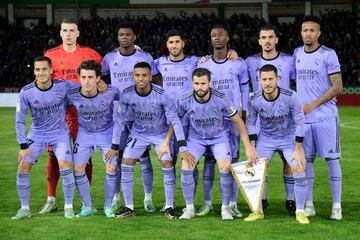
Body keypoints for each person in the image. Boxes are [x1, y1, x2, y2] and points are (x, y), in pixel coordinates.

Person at [107, 62, 193, 220]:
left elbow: (174, 119)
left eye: (144, 75)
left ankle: (169, 206)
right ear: (133, 76)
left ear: (150, 77)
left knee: (167, 163)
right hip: (138, 133)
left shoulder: (161, 94)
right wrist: (114, 145)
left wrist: (182, 146)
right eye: (137, 75)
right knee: (126, 163)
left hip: (159, 134)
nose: (141, 79)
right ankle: (129, 207)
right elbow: (119, 120)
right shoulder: (127, 94)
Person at [40, 18, 103, 214]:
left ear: (78, 33)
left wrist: (103, 84)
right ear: (60, 33)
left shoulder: (90, 54)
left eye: (72, 30)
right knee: (53, 155)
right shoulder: (50, 55)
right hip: (58, 115)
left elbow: (103, 76)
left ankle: (86, 200)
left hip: (84, 114)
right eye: (64, 30)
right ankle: (51, 199)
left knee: (85, 156)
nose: (68, 34)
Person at [177, 68, 257, 221]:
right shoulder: (185, 99)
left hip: (219, 137)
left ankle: (225, 209)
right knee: (186, 167)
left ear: (210, 83)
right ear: (192, 83)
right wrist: (175, 143)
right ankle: (189, 208)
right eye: (196, 83)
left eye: (203, 83)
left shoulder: (221, 98)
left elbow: (239, 122)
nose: (200, 87)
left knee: (225, 167)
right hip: (196, 138)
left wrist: (248, 147)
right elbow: (175, 121)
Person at [102, 22, 158, 212]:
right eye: (121, 34)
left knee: (144, 157)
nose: (124, 37)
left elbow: (156, 79)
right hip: (118, 116)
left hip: (141, 116)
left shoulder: (145, 57)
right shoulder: (109, 58)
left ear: (134, 38)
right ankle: (117, 197)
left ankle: (147, 198)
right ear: (118, 37)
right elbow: (100, 77)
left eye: (128, 34)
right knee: (117, 157)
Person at [12, 56, 75, 220]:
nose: (41, 73)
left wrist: (100, 84)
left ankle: (69, 207)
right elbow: (19, 120)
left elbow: (84, 87)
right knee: (22, 168)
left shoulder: (63, 86)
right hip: (36, 135)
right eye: (38, 69)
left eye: (44, 69)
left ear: (51, 70)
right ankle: (24, 209)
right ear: (34, 71)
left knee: (65, 166)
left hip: (59, 134)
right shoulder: (26, 92)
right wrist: (23, 146)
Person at [245, 64, 309, 224]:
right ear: (258, 81)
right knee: (255, 170)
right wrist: (252, 149)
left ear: (278, 79)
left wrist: (299, 149)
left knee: (298, 168)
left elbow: (300, 122)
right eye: (264, 79)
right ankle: (257, 210)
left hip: (288, 139)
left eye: (271, 79)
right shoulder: (253, 99)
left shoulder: (291, 96)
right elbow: (251, 123)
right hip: (266, 139)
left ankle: (300, 211)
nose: (267, 83)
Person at [197, 24, 249, 217]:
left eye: (220, 35)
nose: (216, 38)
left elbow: (244, 89)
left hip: (232, 119)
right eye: (213, 35)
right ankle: (208, 203)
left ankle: (232, 203)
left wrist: (244, 111)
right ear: (210, 40)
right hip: (210, 120)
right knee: (209, 161)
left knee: (233, 161)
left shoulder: (238, 63)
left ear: (228, 39)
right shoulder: (203, 65)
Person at [294, 15, 343, 220]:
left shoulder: (328, 54)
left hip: (325, 117)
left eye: (312, 30)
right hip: (304, 121)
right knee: (308, 162)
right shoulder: (297, 53)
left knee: (332, 160)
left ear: (319, 33)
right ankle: (309, 204)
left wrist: (312, 105)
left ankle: (337, 206)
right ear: (301, 33)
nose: (308, 33)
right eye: (305, 30)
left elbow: (338, 86)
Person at [245, 24, 296, 215]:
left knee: (289, 162)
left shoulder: (289, 61)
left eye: (270, 37)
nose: (267, 41)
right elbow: (228, 61)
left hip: (285, 121)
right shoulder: (250, 61)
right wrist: (231, 52)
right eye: (263, 37)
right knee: (260, 164)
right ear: (259, 41)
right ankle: (262, 200)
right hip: (261, 121)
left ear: (276, 40)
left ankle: (290, 200)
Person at [66, 60, 120, 218]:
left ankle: (108, 206)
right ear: (79, 78)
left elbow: (120, 118)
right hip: (85, 134)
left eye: (90, 77)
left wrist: (115, 144)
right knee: (77, 169)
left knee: (111, 168)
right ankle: (88, 206)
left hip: (106, 134)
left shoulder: (112, 92)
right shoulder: (72, 95)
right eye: (83, 77)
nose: (86, 81)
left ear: (98, 79)